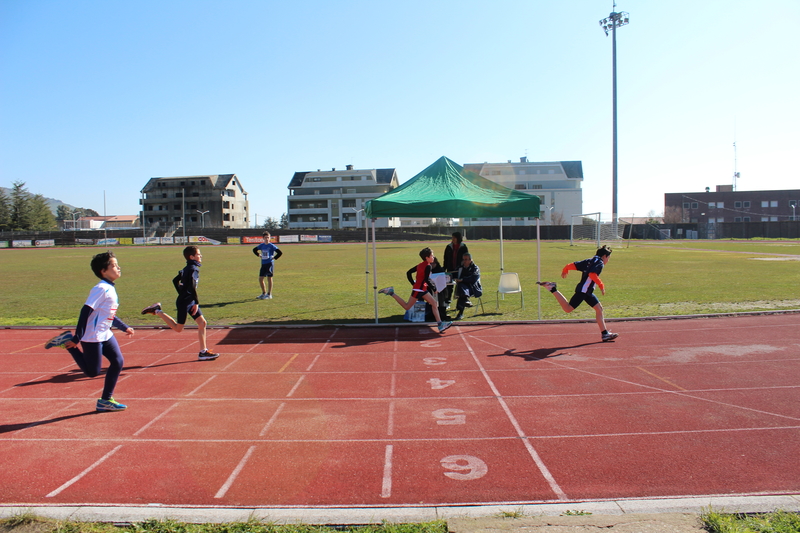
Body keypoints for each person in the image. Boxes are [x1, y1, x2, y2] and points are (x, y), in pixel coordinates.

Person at [44, 251, 132, 411]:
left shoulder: (110, 288)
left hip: (106, 333)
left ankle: (105, 400)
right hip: (92, 335)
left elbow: (109, 313)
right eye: (113, 265)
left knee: (118, 362)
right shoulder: (100, 289)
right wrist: (77, 337)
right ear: (103, 271)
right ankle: (68, 343)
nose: (118, 267)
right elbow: (85, 311)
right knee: (92, 372)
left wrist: (124, 327)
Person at [141, 245, 220, 360]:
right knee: (178, 328)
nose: (201, 256)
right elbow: (192, 286)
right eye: (198, 254)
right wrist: (195, 302)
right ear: (191, 256)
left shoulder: (187, 268)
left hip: (188, 300)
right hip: (185, 302)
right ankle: (157, 310)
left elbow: (175, 280)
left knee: (202, 323)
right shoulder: (193, 268)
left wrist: (183, 293)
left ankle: (203, 352)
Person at [537, 245, 619, 342]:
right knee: (568, 309)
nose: (608, 260)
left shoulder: (590, 260)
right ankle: (552, 288)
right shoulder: (599, 263)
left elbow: (574, 265)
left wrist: (566, 268)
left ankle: (605, 334)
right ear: (604, 256)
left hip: (587, 291)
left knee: (599, 308)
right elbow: (592, 274)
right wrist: (601, 285)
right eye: (608, 258)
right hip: (583, 291)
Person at [378, 247, 453, 334]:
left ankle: (440, 324)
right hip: (419, 290)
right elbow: (426, 279)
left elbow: (409, 273)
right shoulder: (428, 266)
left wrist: (413, 283)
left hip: (421, 289)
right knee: (407, 306)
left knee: (434, 303)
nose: (433, 257)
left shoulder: (420, 265)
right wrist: (434, 289)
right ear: (427, 257)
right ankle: (391, 292)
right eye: (432, 255)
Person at [252, 231, 282, 299]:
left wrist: (274, 257)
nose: (267, 239)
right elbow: (254, 250)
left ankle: (269, 294)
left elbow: (280, 253)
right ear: (263, 238)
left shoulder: (271, 246)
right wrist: (259, 255)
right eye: (265, 237)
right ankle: (263, 293)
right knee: (260, 278)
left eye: (268, 237)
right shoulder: (261, 245)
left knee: (269, 278)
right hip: (263, 263)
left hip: (269, 263)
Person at [442, 232, 468, 307]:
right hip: (450, 269)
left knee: (460, 285)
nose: (453, 239)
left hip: (459, 270)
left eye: (454, 237)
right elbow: (445, 258)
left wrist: (463, 267)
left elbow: (466, 258)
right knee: (449, 286)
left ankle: (461, 302)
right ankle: (447, 302)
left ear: (458, 238)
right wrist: (444, 268)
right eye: (452, 237)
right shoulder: (449, 247)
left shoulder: (463, 247)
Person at [453, 253, 482, 320]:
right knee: (462, 289)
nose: (464, 261)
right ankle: (465, 301)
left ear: (470, 260)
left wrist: (462, 280)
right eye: (463, 259)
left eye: (466, 259)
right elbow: (454, 275)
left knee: (462, 292)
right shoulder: (460, 267)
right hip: (463, 288)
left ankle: (460, 313)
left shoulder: (475, 268)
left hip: (473, 288)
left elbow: (473, 279)